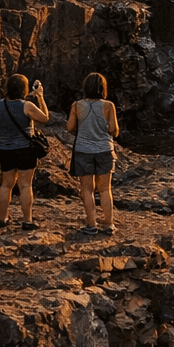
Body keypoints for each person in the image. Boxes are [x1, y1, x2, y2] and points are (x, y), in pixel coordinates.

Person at [0, 73, 50, 229]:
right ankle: (27, 221)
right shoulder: (27, 106)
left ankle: (3, 219)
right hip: (24, 149)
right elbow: (45, 118)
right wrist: (40, 96)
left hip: (5, 149)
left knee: (6, 185)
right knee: (25, 186)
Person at [67, 72, 120, 235]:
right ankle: (109, 224)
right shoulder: (108, 105)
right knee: (105, 190)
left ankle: (91, 224)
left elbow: (70, 128)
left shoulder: (76, 106)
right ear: (103, 88)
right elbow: (114, 130)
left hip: (83, 151)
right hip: (104, 150)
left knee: (87, 190)